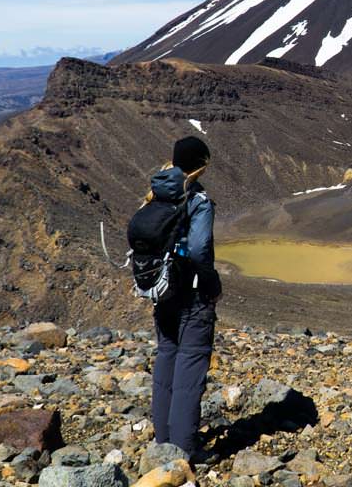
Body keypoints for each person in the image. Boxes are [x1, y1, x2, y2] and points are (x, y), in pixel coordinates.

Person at [148, 135, 221, 459]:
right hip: (192, 296)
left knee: (167, 357)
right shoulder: (198, 200)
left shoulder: (157, 194)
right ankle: (184, 449)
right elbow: (199, 248)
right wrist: (211, 284)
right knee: (190, 366)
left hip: (162, 292)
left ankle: (163, 441)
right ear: (201, 164)